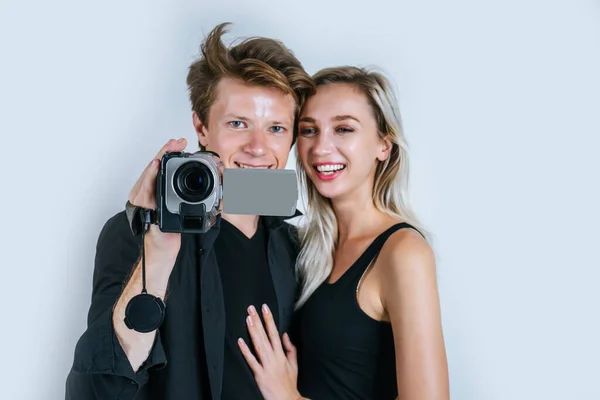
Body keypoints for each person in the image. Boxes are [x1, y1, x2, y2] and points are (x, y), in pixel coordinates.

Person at [64, 22, 315, 400]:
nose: (258, 147)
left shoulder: (295, 247)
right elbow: (96, 390)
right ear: (201, 126)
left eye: (276, 128)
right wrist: (158, 251)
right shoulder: (134, 234)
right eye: (237, 124)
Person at [236, 66, 450, 400]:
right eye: (309, 130)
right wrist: (154, 197)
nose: (321, 147)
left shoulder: (403, 251)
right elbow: (229, 189)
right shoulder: (302, 239)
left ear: (384, 144)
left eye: (344, 129)